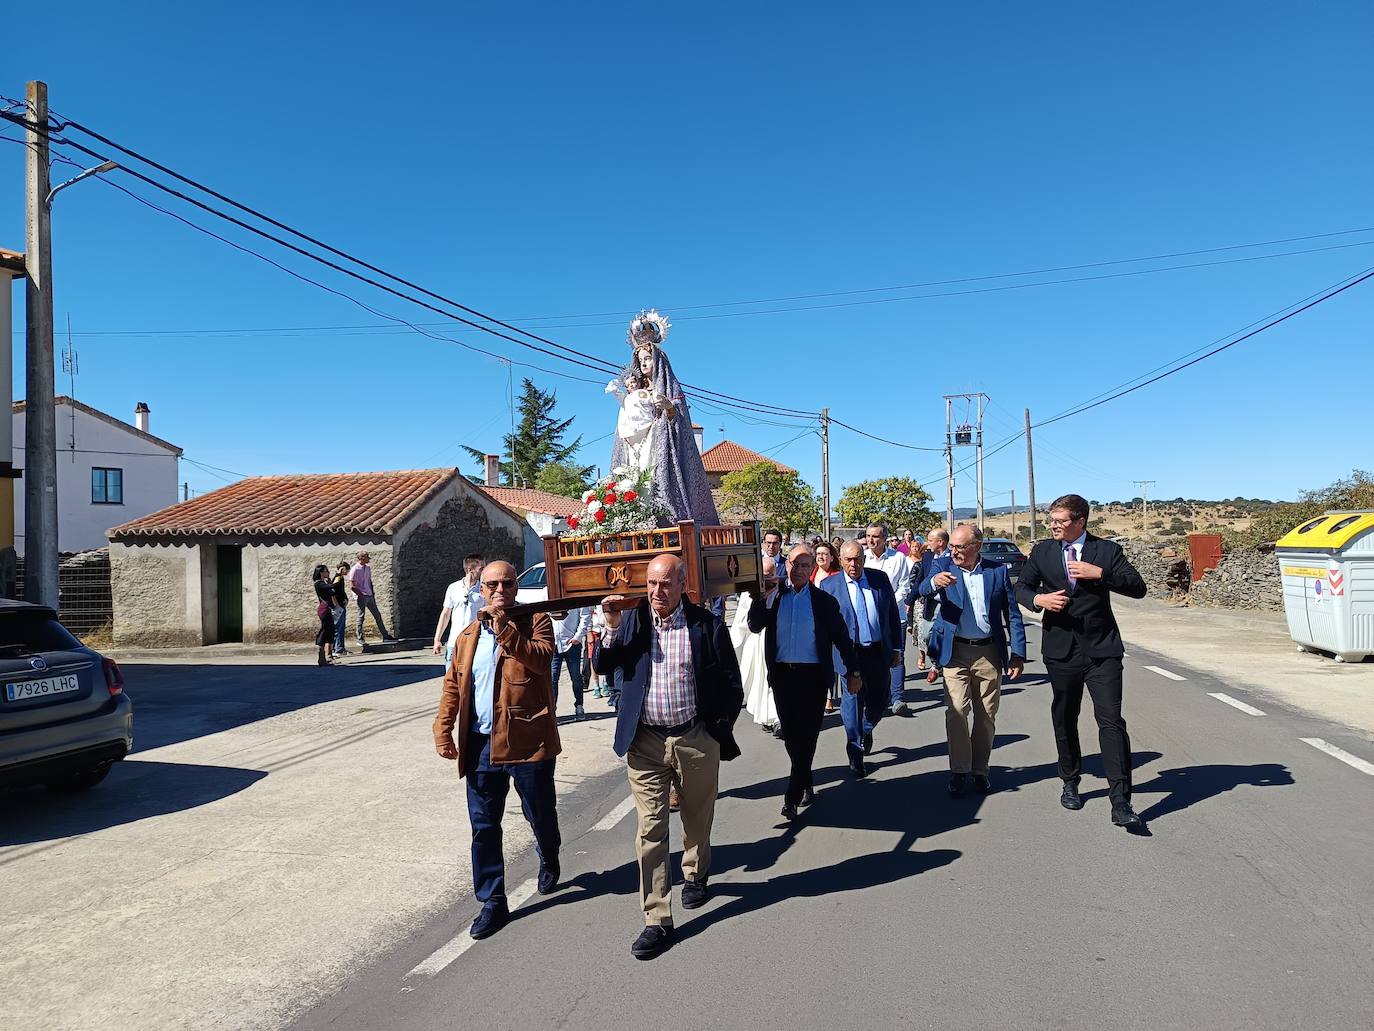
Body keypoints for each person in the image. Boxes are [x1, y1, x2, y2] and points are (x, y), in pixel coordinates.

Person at [597, 554, 743, 961]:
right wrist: (610, 629)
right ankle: (656, 919)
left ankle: (695, 871)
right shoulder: (632, 622)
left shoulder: (706, 625)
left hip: (695, 737)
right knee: (650, 829)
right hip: (644, 742)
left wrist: (715, 730)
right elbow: (603, 664)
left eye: (665, 584)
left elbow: (732, 684)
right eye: (651, 584)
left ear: (682, 585)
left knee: (697, 815)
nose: (657, 592)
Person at [432, 561, 561, 940]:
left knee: (539, 813)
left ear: (516, 586)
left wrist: (505, 629)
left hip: (528, 742)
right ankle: (492, 900)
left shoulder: (535, 621)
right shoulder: (468, 635)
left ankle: (549, 854)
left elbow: (540, 660)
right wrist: (443, 730)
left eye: (506, 583)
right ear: (481, 589)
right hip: (482, 746)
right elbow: (453, 686)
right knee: (484, 826)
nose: (499, 590)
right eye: (492, 585)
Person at [1014, 494, 1148, 828]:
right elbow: (1021, 588)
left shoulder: (1107, 552)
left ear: (1081, 521)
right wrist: (1038, 599)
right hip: (1061, 650)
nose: (1053, 526)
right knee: (1065, 715)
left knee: (1111, 721)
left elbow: (1137, 587)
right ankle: (1070, 780)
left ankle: (1121, 802)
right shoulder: (1043, 551)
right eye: (1052, 520)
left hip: (1102, 650)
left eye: (1060, 521)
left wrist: (1099, 573)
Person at [748, 544, 860, 820]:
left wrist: (853, 672)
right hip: (783, 676)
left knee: (807, 735)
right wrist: (762, 598)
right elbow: (754, 625)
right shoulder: (776, 596)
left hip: (813, 678)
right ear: (786, 565)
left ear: (813, 569)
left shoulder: (823, 602)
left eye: (804, 565)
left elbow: (842, 640)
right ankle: (805, 779)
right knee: (791, 735)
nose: (797, 570)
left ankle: (792, 796)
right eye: (793, 564)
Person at [920, 524, 1026, 797]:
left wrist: (1018, 653)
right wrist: (934, 582)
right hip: (954, 652)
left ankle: (980, 771)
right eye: (952, 546)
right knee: (956, 712)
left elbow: (1012, 614)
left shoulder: (996, 571)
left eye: (959, 547)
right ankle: (959, 770)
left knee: (986, 715)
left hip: (988, 652)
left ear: (976, 547)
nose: (953, 551)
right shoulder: (942, 565)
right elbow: (922, 589)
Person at [606, 310, 719, 525]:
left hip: (659, 445)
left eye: (648, 358)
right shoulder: (634, 391)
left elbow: (680, 416)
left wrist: (668, 407)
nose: (644, 364)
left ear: (658, 360)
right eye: (640, 361)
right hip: (636, 446)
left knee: (656, 484)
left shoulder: (669, 388)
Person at [820, 542, 902, 779]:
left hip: (877, 651)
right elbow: (825, 627)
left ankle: (866, 728)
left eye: (857, 559)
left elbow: (891, 616)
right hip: (850, 654)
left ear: (863, 559)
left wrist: (896, 647)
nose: (853, 565)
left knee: (881, 699)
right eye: (848, 560)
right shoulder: (829, 586)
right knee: (852, 701)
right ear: (841, 560)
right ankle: (854, 751)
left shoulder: (879, 579)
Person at [863, 524, 913, 716]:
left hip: (895, 617)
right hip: (868, 616)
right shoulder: (863, 558)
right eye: (868, 536)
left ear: (884, 538)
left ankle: (897, 698)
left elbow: (904, 586)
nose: (871, 540)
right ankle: (876, 696)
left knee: (896, 655)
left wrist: (888, 603)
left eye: (875, 536)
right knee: (872, 657)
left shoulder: (898, 558)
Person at [735, 556, 780, 736]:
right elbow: (741, 623)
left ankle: (778, 719)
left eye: (770, 575)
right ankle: (766, 717)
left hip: (777, 643)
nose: (767, 580)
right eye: (764, 576)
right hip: (757, 643)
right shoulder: (748, 594)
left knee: (774, 682)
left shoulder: (782, 591)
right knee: (761, 682)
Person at [433, 553, 484, 666]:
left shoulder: (483, 589)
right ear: (470, 569)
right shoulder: (453, 588)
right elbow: (445, 614)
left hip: (475, 640)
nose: (483, 572)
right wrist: (437, 639)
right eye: (481, 568)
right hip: (454, 641)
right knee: (451, 677)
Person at [812, 541, 843, 712]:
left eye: (825, 554)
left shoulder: (837, 576)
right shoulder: (811, 574)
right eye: (818, 554)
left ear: (832, 557)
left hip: (831, 624)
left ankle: (830, 697)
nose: (821, 557)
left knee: (831, 661)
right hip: (812, 625)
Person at [915, 528, 949, 673]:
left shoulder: (953, 558)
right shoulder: (928, 557)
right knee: (926, 635)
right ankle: (936, 661)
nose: (927, 544)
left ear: (940, 542)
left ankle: (944, 664)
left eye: (930, 540)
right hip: (931, 602)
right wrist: (910, 600)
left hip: (949, 603)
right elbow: (920, 579)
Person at [550, 606, 592, 718]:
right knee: (552, 678)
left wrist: (577, 637)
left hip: (572, 644)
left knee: (576, 677)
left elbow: (585, 616)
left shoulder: (574, 595)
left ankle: (579, 705)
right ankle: (552, 708)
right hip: (553, 644)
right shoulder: (546, 592)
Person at [349, 551, 396, 647]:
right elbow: (352, 586)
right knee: (361, 617)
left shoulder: (368, 568)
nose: (368, 559)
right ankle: (360, 638)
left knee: (377, 615)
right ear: (361, 558)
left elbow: (369, 580)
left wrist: (372, 592)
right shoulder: (355, 569)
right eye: (366, 557)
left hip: (369, 595)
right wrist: (361, 594)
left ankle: (385, 636)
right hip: (361, 596)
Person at [312, 565, 336, 667]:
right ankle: (321, 657)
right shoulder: (319, 584)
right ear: (321, 573)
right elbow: (331, 587)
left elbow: (331, 591)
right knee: (324, 630)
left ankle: (327, 656)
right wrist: (337, 576)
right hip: (324, 609)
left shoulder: (324, 583)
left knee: (330, 630)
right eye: (326, 571)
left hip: (328, 608)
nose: (328, 572)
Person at [330, 561, 351, 657]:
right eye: (347, 570)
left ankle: (338, 647)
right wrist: (337, 604)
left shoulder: (339, 578)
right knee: (339, 627)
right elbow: (332, 590)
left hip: (341, 605)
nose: (347, 572)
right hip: (339, 607)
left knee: (339, 627)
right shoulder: (338, 578)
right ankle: (338, 648)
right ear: (342, 569)